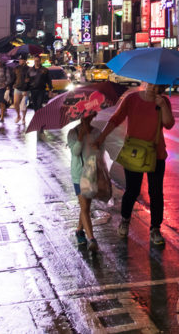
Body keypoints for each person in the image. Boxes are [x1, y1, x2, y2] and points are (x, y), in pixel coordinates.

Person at [95, 82, 175, 246]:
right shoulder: (131, 99)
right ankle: (125, 220)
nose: (155, 88)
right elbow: (116, 119)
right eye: (152, 84)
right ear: (146, 83)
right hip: (134, 153)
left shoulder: (163, 101)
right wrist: (101, 138)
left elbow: (169, 124)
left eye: (159, 85)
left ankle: (155, 229)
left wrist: (162, 105)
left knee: (156, 192)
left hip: (156, 153)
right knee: (132, 190)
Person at [68, 97, 103, 252]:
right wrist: (81, 138)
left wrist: (95, 143)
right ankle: (92, 239)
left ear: (93, 116)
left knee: (87, 206)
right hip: (78, 174)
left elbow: (100, 155)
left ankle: (79, 230)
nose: (86, 119)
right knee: (84, 207)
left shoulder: (97, 132)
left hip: (92, 173)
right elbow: (75, 153)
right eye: (84, 116)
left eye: (89, 115)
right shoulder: (72, 133)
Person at [12, 55, 31, 126]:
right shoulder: (16, 68)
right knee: (16, 103)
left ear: (25, 61)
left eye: (22, 60)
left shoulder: (28, 69)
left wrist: (27, 89)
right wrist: (10, 85)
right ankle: (18, 115)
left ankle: (24, 118)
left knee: (24, 105)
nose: (20, 61)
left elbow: (29, 80)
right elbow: (14, 78)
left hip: (25, 89)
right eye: (20, 60)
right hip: (17, 87)